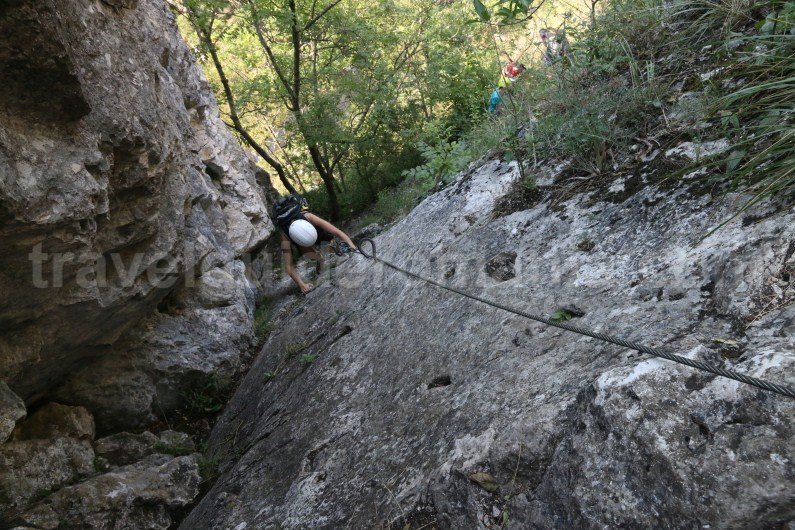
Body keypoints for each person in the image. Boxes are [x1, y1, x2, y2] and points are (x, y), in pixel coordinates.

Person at [271, 194, 357, 294]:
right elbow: (288, 265)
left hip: (321, 236)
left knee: (331, 246)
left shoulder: (309, 217)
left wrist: (352, 247)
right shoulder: (285, 234)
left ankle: (327, 251)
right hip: (303, 245)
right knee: (309, 252)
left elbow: (337, 232)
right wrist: (302, 285)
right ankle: (319, 259)